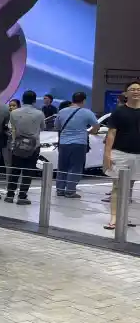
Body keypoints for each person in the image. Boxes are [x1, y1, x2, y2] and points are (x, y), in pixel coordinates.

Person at [103, 82, 140, 230]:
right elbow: (111, 134)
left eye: (138, 89)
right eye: (133, 89)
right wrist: (107, 154)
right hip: (120, 153)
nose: (136, 92)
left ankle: (124, 216)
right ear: (126, 93)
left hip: (138, 155)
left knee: (129, 187)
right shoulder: (118, 112)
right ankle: (114, 218)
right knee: (117, 187)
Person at [53, 92, 98, 198]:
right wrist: (88, 132)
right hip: (79, 144)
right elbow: (96, 126)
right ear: (84, 100)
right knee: (75, 167)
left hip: (63, 143)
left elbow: (56, 126)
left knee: (62, 167)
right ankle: (70, 191)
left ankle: (60, 190)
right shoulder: (87, 112)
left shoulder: (62, 111)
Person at [5, 91, 44, 205]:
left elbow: (12, 127)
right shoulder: (39, 113)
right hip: (33, 145)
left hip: (18, 144)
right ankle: (22, 196)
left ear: (22, 100)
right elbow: (42, 127)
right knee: (28, 172)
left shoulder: (14, 113)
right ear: (34, 100)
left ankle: (10, 195)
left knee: (15, 170)